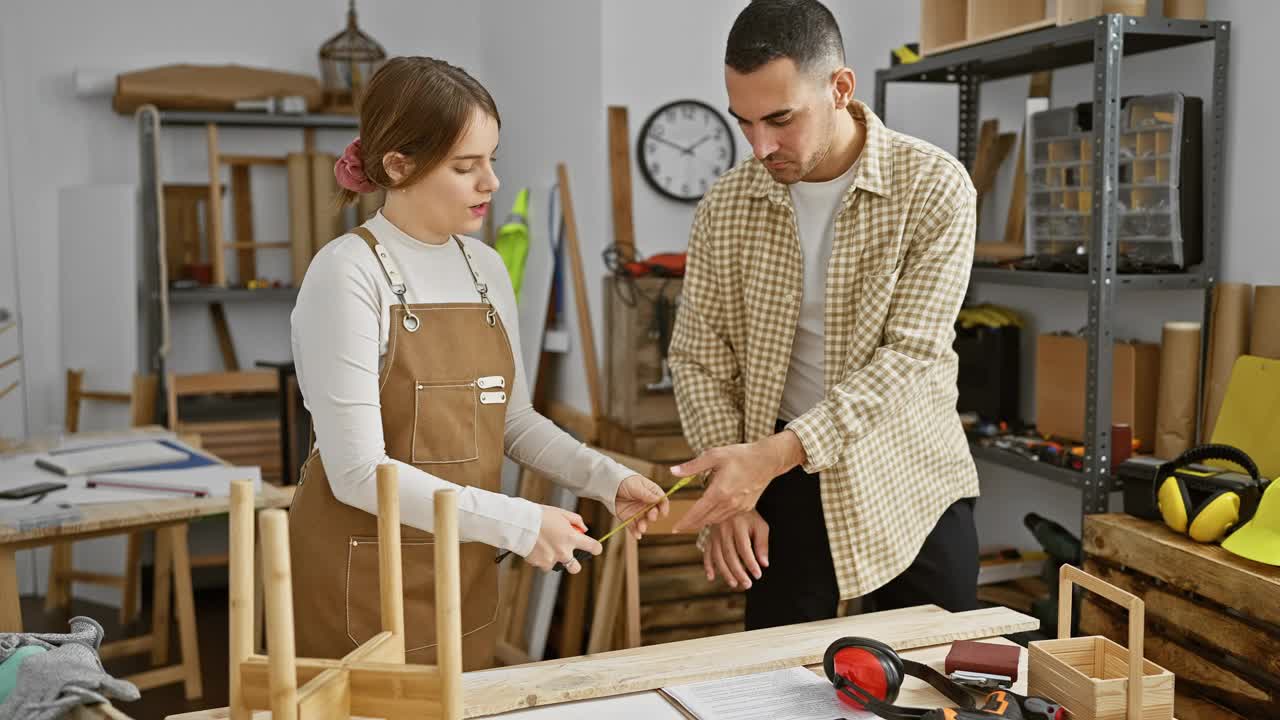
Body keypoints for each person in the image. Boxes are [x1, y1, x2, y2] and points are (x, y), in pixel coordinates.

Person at [288, 56, 668, 670]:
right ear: (398, 166)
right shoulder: (347, 273)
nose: (491, 181)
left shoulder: (485, 269)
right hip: (361, 576)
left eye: (491, 158)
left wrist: (606, 480)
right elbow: (357, 471)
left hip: (461, 563)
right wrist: (519, 523)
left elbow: (512, 422)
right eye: (466, 166)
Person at [667, 0, 981, 630]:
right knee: (780, 685)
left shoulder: (934, 187)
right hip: (776, 487)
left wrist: (775, 455)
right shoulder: (726, 206)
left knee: (935, 682)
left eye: (780, 119)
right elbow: (698, 356)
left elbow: (911, 357)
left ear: (840, 88)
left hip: (909, 476)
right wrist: (732, 490)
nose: (760, 146)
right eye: (744, 122)